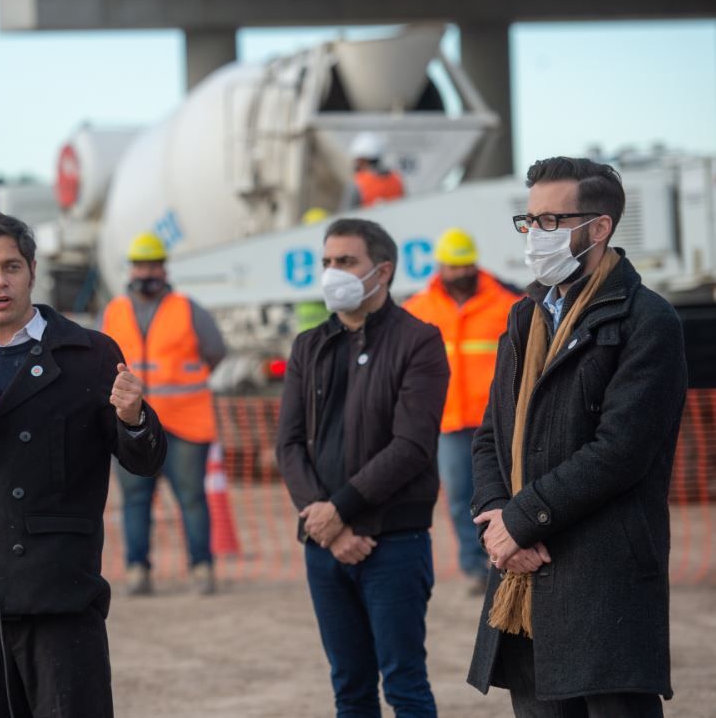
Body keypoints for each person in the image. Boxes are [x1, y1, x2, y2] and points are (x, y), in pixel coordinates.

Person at [0, 211, 167, 718]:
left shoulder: (88, 353)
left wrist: (134, 417)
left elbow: (145, 460)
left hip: (61, 594)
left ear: (32, 271)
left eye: (11, 266)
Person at [467, 157, 688, 717]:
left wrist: (519, 522)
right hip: (524, 575)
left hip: (602, 579)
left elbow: (621, 451)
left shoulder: (646, 320)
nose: (536, 234)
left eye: (551, 221)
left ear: (599, 227)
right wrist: (496, 518)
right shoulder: (524, 316)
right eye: (530, 220)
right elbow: (492, 436)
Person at [276, 217, 449, 717]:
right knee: (349, 689)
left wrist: (342, 511)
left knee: (404, 685)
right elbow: (287, 443)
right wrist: (322, 520)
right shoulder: (309, 345)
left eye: (346, 262)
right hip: (324, 545)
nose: (332, 272)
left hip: (394, 542)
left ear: (384, 271)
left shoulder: (419, 340)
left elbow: (411, 445)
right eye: (327, 262)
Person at [100, 231, 226, 596]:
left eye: (153, 264)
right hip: (132, 423)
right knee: (136, 500)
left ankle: (202, 568)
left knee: (191, 498)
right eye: (141, 265)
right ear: (131, 269)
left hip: (186, 423)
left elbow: (216, 350)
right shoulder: (114, 311)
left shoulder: (188, 308)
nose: (146, 271)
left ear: (164, 268)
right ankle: (138, 570)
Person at [403, 228, 521, 594]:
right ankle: (475, 567)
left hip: (499, 419)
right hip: (449, 420)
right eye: (452, 266)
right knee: (459, 497)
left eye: (465, 265)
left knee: (508, 493)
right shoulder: (419, 308)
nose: (459, 273)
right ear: (440, 266)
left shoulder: (506, 304)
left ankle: (509, 559)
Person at [343, 132, 405, 209]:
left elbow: (346, 215)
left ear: (365, 160)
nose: (356, 165)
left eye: (358, 161)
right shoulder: (397, 179)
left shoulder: (358, 184)